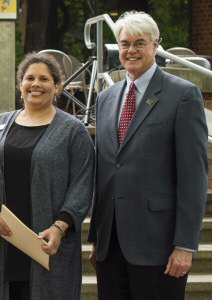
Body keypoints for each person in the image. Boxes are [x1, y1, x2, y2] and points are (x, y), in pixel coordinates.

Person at [88, 11, 208, 300]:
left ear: (156, 45)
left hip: (159, 246)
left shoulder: (183, 95)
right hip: (110, 245)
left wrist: (185, 245)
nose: (131, 51)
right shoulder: (105, 98)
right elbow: (106, 170)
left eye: (140, 43)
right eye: (125, 43)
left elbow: (193, 178)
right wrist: (97, 239)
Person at [0, 52, 95, 299]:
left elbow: (82, 186)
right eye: (29, 78)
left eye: (44, 79)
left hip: (48, 244)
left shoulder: (73, 131)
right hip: (4, 243)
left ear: (57, 87)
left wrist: (59, 228)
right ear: (20, 85)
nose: (36, 84)